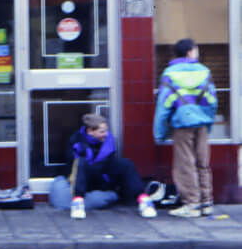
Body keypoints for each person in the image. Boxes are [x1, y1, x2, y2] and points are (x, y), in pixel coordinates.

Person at [153, 38, 217, 218]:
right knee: (203, 163)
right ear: (190, 52)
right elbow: (212, 101)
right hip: (202, 123)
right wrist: (208, 122)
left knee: (185, 165)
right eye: (195, 49)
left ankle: (192, 204)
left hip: (181, 125)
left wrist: (160, 133)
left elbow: (163, 106)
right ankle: (206, 202)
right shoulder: (205, 72)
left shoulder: (169, 74)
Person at [69, 113, 156, 220]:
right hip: (87, 180)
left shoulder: (108, 140)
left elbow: (109, 163)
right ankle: (78, 202)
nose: (105, 134)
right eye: (101, 132)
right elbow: (72, 165)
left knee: (126, 163)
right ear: (90, 131)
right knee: (81, 163)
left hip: (104, 177)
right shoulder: (76, 141)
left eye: (106, 131)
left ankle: (143, 200)